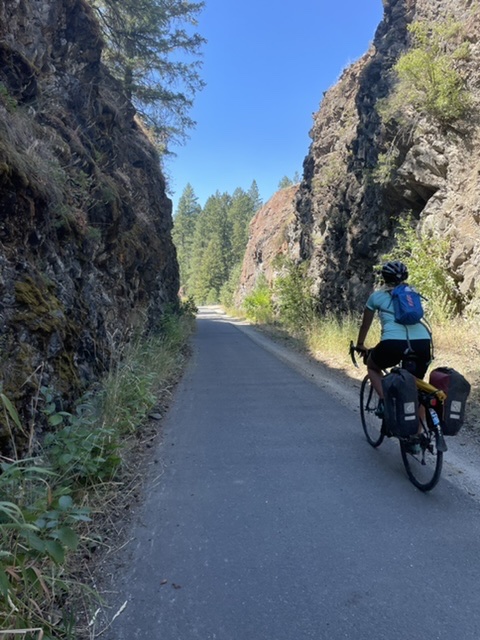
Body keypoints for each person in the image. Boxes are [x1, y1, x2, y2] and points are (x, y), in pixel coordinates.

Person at [355, 260, 432, 412]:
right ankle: (419, 433)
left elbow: (365, 325)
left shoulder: (376, 297)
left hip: (393, 343)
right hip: (422, 341)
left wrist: (360, 344)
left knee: (372, 366)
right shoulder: (412, 294)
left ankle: (386, 402)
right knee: (417, 388)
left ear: (384, 277)